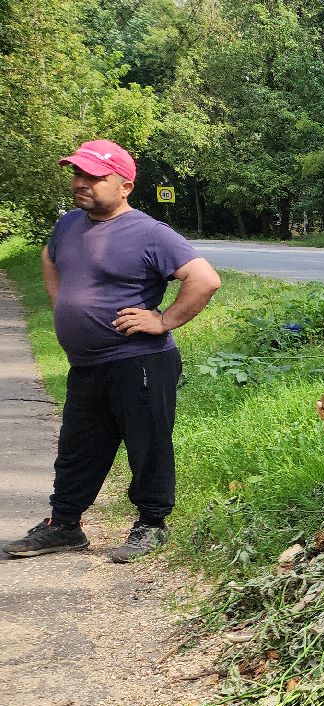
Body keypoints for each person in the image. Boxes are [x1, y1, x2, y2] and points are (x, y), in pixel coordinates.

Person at [4, 140, 221, 562]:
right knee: (77, 447)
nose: (80, 183)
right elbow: (49, 258)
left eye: (93, 177)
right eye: (77, 174)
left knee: (147, 445)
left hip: (139, 361)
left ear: (125, 186)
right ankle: (64, 525)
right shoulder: (69, 224)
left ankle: (152, 525)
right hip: (87, 363)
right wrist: (63, 304)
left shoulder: (149, 232)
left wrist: (163, 320)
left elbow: (205, 279)